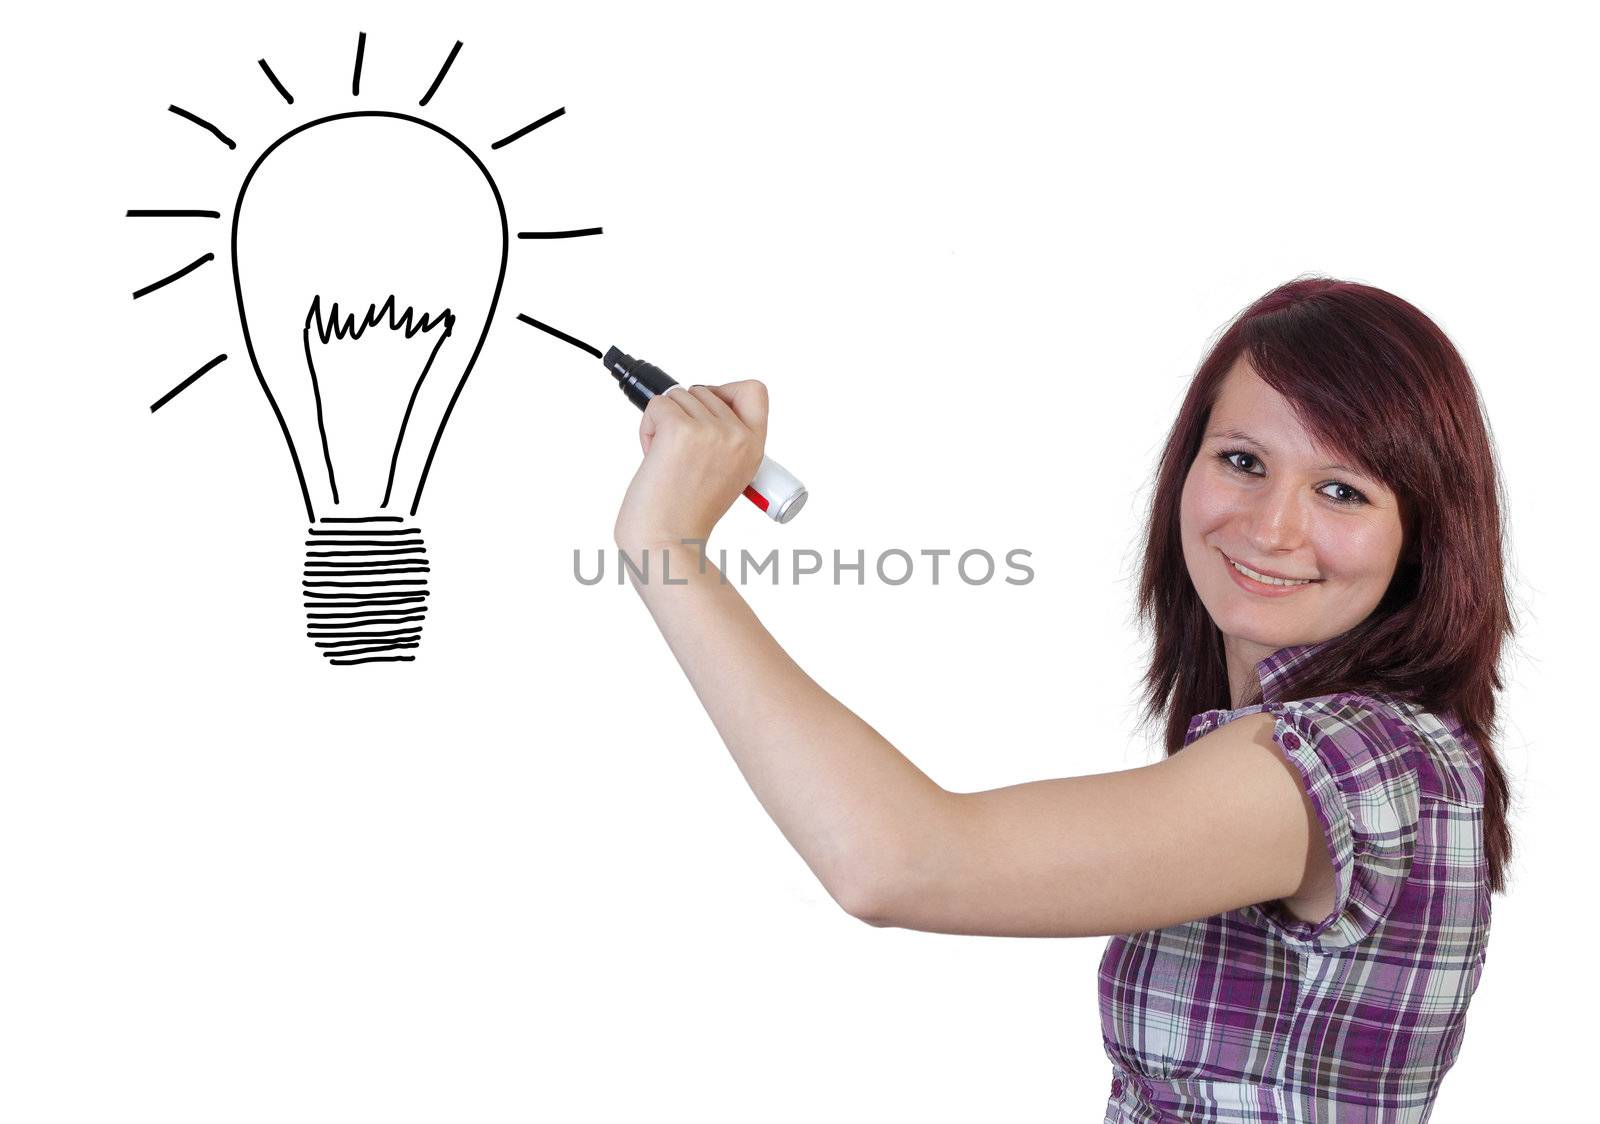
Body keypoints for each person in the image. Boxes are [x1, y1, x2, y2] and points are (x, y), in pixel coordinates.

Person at [610, 276, 1513, 1122]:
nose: (1272, 526)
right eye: (1242, 460)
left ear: (1423, 538)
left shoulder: (1354, 759)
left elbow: (895, 863)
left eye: (1341, 490)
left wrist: (666, 545)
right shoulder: (1344, 748)